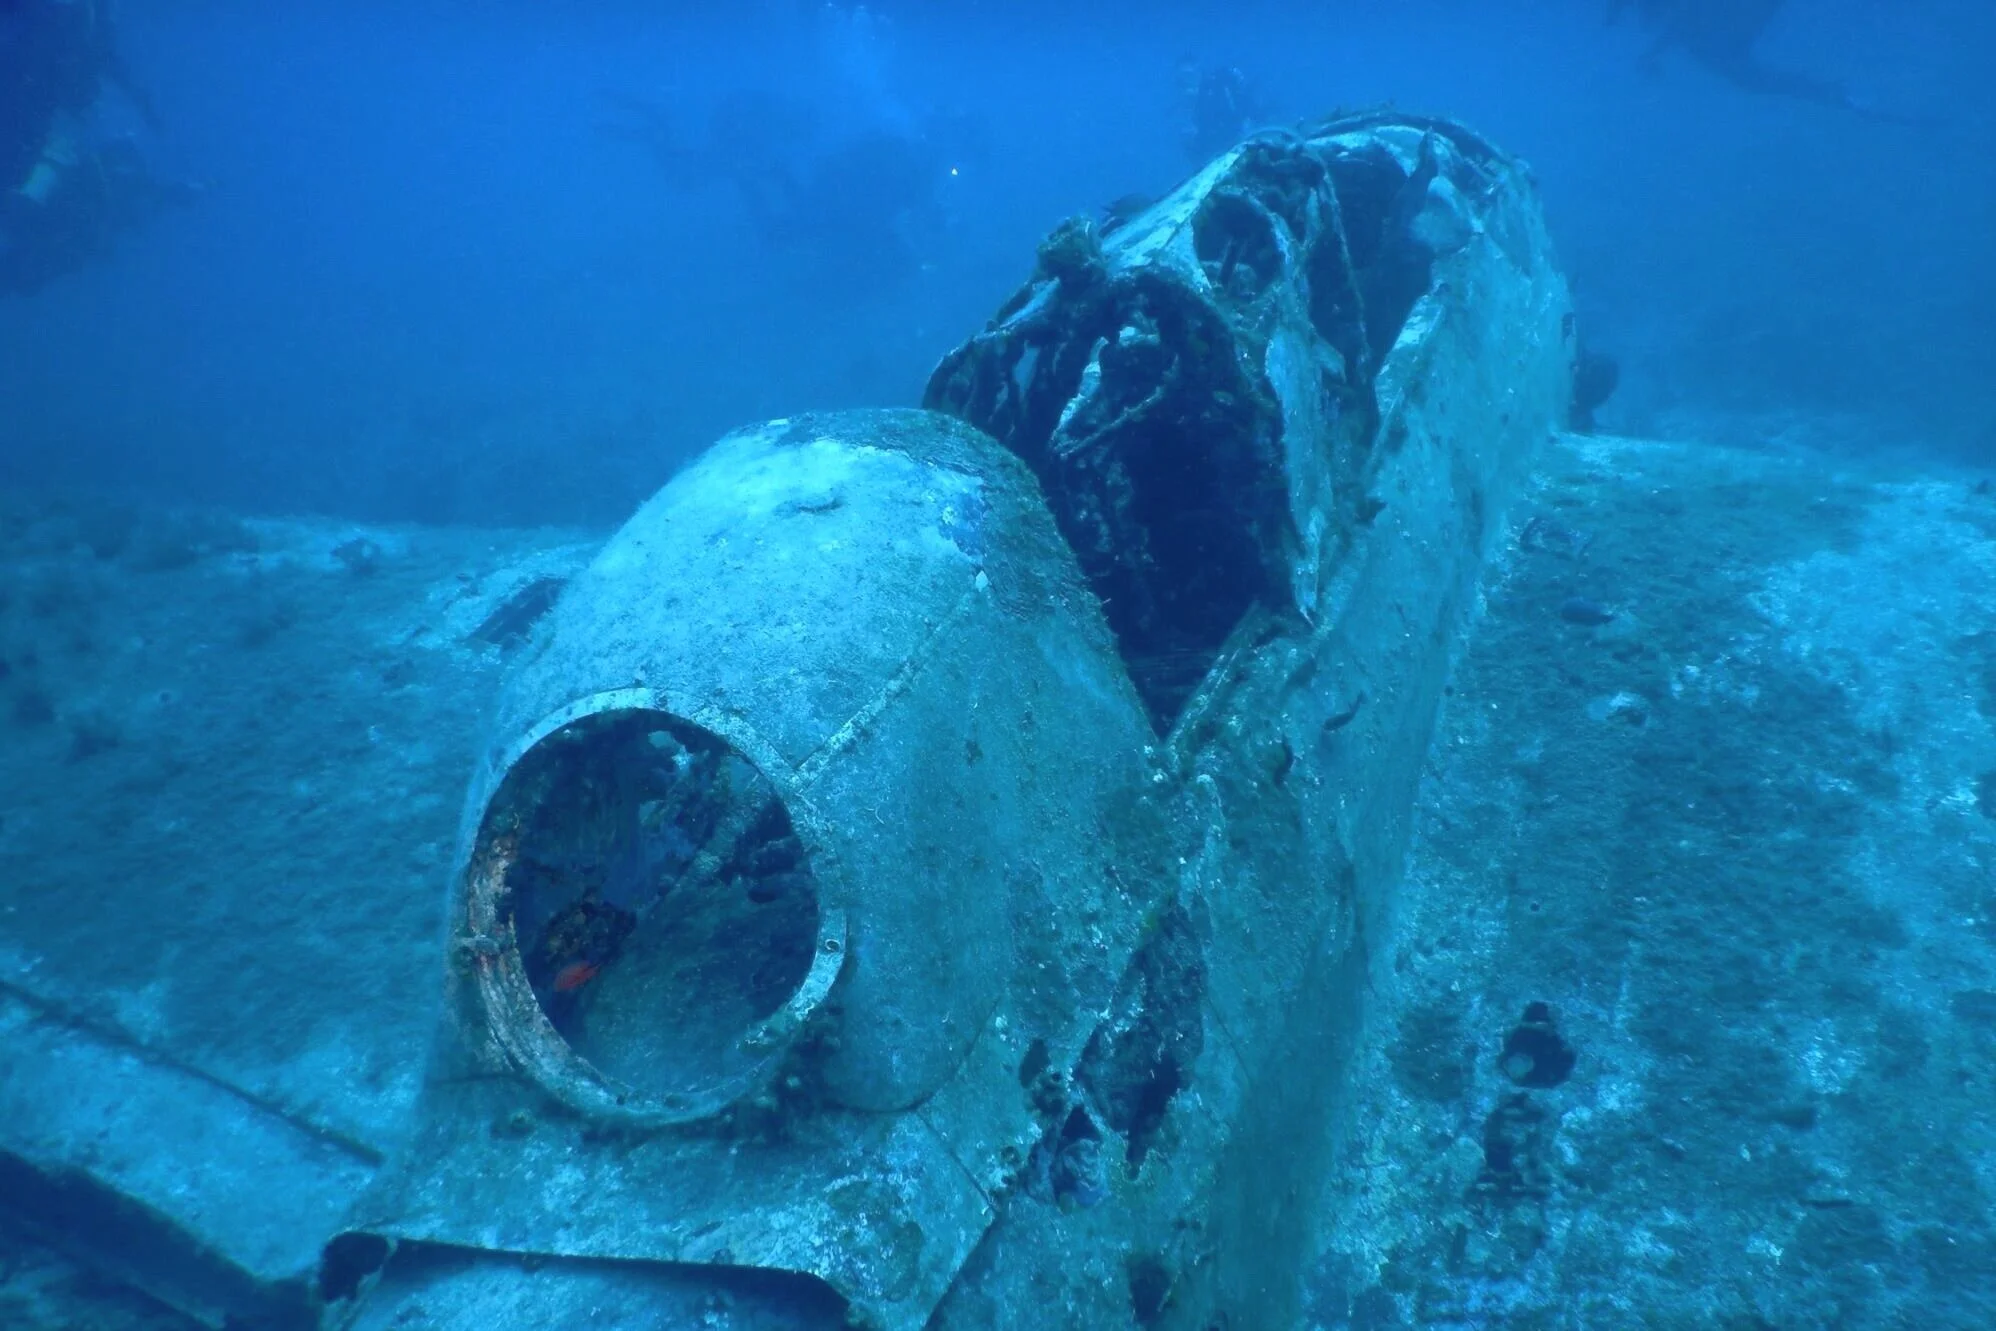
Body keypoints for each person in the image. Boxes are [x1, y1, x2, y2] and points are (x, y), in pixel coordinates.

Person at [1608, 0, 1923, 124]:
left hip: (1718, 27)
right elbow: (1679, 21)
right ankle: (1840, 95)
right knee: (1746, 77)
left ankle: (1841, 95)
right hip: (1717, 30)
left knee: (1745, 75)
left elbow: (1682, 21)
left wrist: (1652, 52)